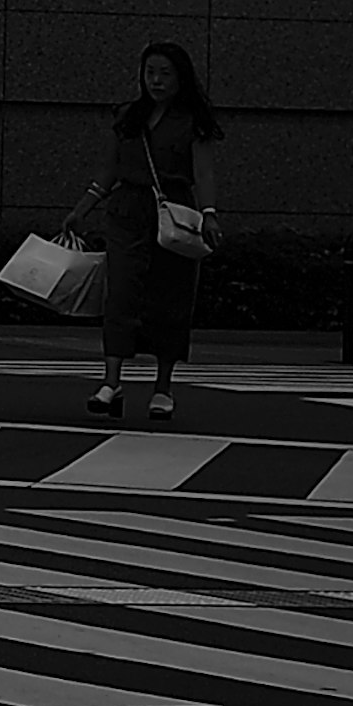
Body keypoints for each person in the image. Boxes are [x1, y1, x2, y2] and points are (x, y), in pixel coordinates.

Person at [85, 39, 220, 426]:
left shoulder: (194, 121)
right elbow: (107, 171)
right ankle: (111, 383)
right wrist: (82, 210)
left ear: (181, 78)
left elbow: (204, 172)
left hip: (174, 214)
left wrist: (209, 214)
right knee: (121, 292)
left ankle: (163, 387)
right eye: (150, 73)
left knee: (171, 296)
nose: (156, 81)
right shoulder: (127, 116)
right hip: (128, 210)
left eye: (165, 73)